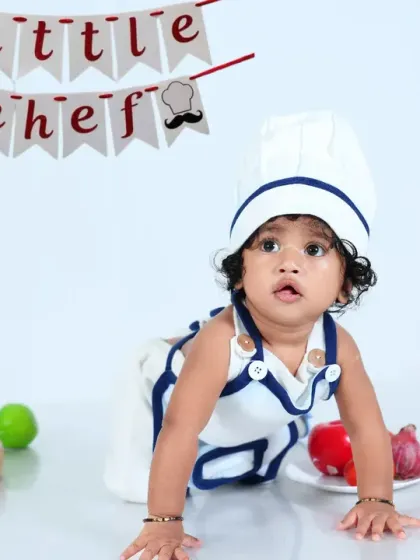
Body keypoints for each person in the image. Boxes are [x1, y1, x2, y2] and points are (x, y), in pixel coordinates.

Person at [104, 111, 420, 560]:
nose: (289, 263)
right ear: (239, 273)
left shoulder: (338, 347)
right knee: (138, 482)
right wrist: (165, 523)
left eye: (313, 249)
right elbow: (179, 429)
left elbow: (367, 429)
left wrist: (376, 500)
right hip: (166, 388)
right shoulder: (222, 341)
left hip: (247, 416)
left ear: (345, 284)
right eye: (269, 245)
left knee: (259, 474)